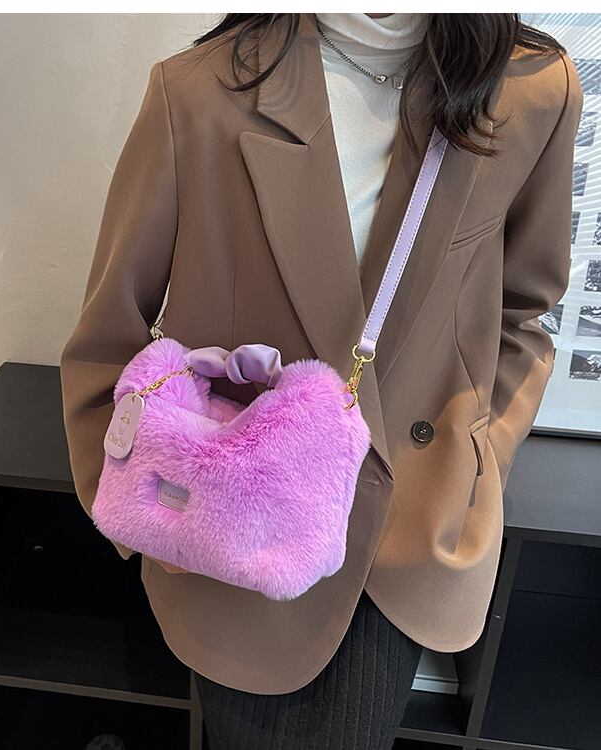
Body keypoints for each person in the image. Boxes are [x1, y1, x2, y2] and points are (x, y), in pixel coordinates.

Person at [60, 13, 583, 749]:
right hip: (237, 523)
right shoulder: (199, 93)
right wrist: (131, 501)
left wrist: (478, 459)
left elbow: (523, 309)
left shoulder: (530, 88)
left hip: (408, 516)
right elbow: (110, 329)